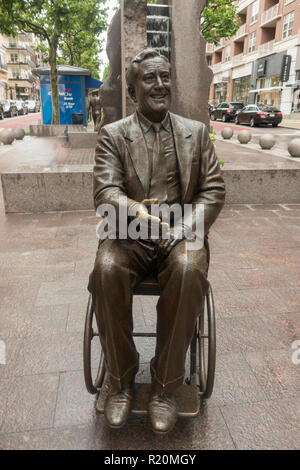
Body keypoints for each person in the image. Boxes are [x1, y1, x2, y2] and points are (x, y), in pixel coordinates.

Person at [88, 49, 225, 434]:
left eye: (165, 77)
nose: (160, 84)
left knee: (187, 268)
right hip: (129, 232)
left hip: (180, 233)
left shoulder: (194, 133)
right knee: (105, 269)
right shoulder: (113, 136)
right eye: (150, 79)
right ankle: (121, 378)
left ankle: (165, 385)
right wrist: (134, 210)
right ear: (133, 92)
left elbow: (213, 190)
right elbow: (104, 192)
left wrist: (183, 230)